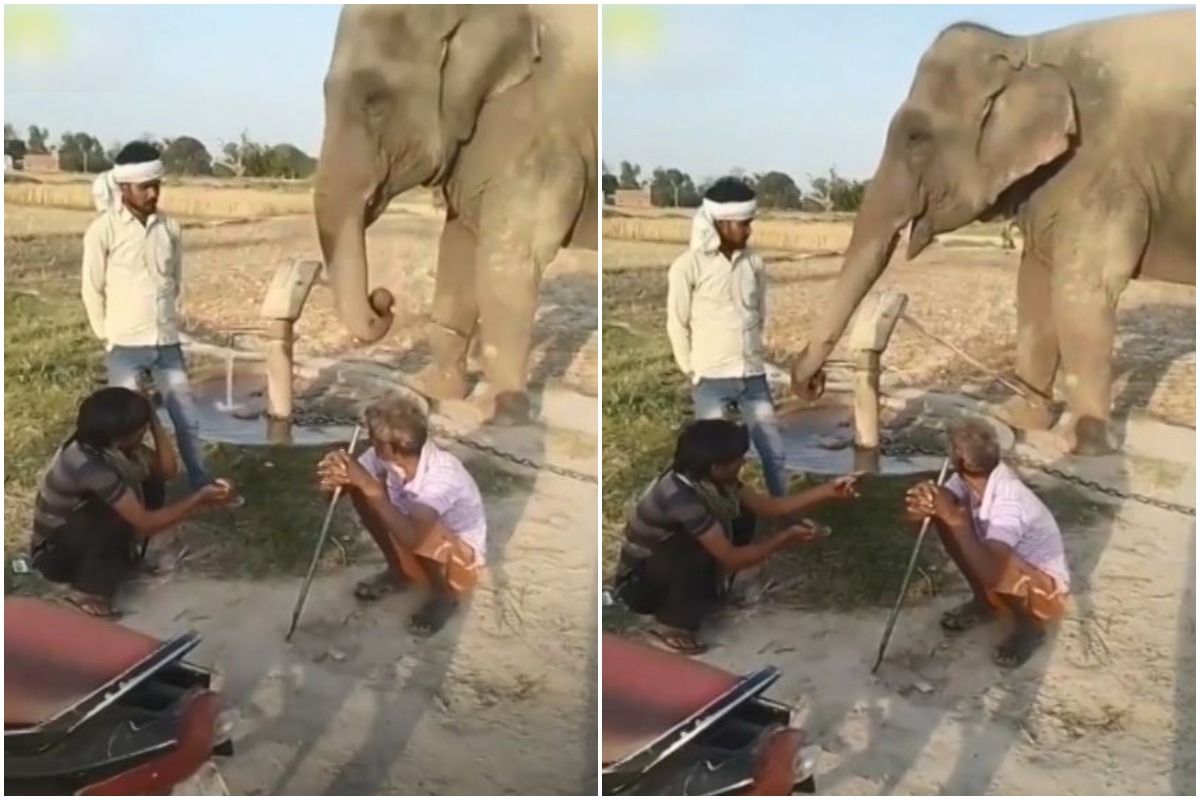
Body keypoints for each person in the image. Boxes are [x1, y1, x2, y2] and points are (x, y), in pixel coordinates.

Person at [613, 418, 861, 654]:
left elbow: (771, 507)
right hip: (640, 586)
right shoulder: (681, 498)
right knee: (694, 549)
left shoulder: (713, 481)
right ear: (717, 466)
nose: (742, 463)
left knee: (742, 515)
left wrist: (828, 491)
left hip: (663, 567)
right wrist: (783, 540)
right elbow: (731, 557)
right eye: (737, 459)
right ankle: (670, 624)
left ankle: (708, 591)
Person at [81, 141, 230, 499]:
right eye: (144, 187)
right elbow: (91, 288)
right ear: (124, 188)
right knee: (127, 428)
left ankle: (201, 483)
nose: (152, 193)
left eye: (156, 186)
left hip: (166, 343)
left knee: (187, 420)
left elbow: (174, 280)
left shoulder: (170, 229)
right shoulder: (103, 230)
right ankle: (130, 492)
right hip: (125, 345)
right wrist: (108, 337)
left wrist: (165, 321)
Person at [30, 387, 236, 618]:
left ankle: (120, 560)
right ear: (123, 436)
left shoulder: (114, 448)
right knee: (114, 516)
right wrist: (199, 498)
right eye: (142, 428)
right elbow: (143, 523)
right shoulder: (87, 464)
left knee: (152, 483)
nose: (144, 432)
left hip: (76, 539)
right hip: (54, 556)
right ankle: (89, 594)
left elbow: (166, 471)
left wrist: (154, 422)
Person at [905, 416, 1071, 668]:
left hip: (1044, 592)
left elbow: (995, 572)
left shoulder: (1010, 500)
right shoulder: (965, 481)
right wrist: (924, 503)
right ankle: (985, 603)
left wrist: (954, 518)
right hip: (1002, 567)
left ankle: (1030, 626)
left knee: (969, 534)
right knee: (944, 517)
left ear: (955, 459)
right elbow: (924, 514)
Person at [317, 393, 487, 636]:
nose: (370, 444)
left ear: (388, 447)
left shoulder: (443, 476)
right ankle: (399, 572)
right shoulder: (387, 458)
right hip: (416, 543)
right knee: (363, 490)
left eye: (373, 440)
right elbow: (343, 490)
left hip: (457, 564)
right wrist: (336, 480)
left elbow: (415, 538)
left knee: (422, 522)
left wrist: (371, 486)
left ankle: (444, 596)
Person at [667, 177, 789, 498]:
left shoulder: (755, 263)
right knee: (711, 462)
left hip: (753, 377)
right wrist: (692, 371)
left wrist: (752, 354)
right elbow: (677, 323)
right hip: (711, 378)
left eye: (750, 223)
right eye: (742, 224)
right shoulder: (687, 266)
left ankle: (787, 518)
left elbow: (759, 314)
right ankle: (716, 520)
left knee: (774, 452)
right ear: (719, 223)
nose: (749, 230)